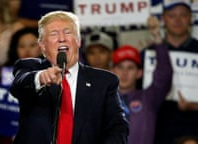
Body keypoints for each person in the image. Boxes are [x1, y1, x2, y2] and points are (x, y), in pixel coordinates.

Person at [10, 11, 129, 144]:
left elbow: (117, 128)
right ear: (42, 45)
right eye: (54, 34)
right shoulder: (29, 67)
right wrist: (41, 77)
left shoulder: (104, 82)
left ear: (78, 41)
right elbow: (19, 85)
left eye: (68, 32)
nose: (62, 38)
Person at [140, 1, 198, 144]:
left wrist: (197, 106)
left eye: (183, 15)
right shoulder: (149, 53)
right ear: (163, 19)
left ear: (191, 18)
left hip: (194, 132)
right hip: (157, 131)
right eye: (172, 15)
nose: (177, 20)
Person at [111, 16, 173, 144]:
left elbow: (164, 75)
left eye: (130, 68)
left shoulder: (149, 98)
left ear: (139, 73)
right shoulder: (102, 99)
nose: (124, 73)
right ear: (112, 71)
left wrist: (158, 39)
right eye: (120, 67)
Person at [0, 27, 41, 144]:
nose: (27, 50)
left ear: (42, 47)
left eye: (32, 45)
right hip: (6, 135)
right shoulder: (6, 73)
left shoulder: (51, 74)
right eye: (21, 46)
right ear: (15, 49)